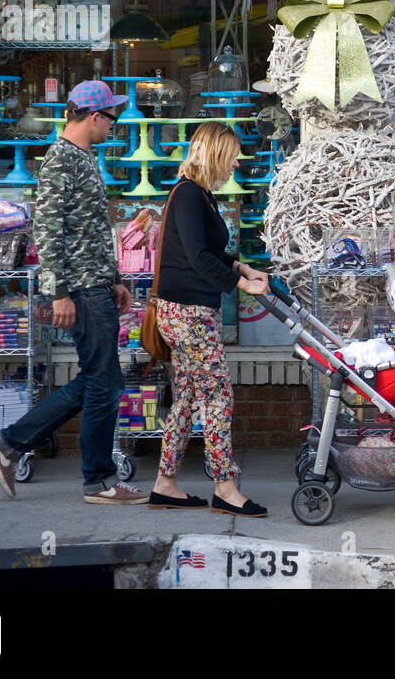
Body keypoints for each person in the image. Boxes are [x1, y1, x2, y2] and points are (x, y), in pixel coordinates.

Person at [0, 81, 148, 504]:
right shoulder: (62, 161)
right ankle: (97, 479)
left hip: (95, 285)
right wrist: (57, 292)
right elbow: (48, 230)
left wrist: (114, 278)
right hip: (81, 289)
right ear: (94, 117)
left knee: (100, 380)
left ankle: (12, 442)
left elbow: (93, 230)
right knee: (104, 383)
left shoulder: (81, 158)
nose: (114, 125)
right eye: (111, 118)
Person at [148, 121, 271, 517]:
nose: (237, 162)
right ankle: (225, 486)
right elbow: (197, 259)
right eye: (233, 154)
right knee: (218, 396)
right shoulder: (188, 195)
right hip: (189, 313)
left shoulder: (200, 195)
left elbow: (204, 251)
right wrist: (238, 284)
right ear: (216, 153)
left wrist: (242, 266)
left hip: (187, 312)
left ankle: (165, 483)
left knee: (186, 398)